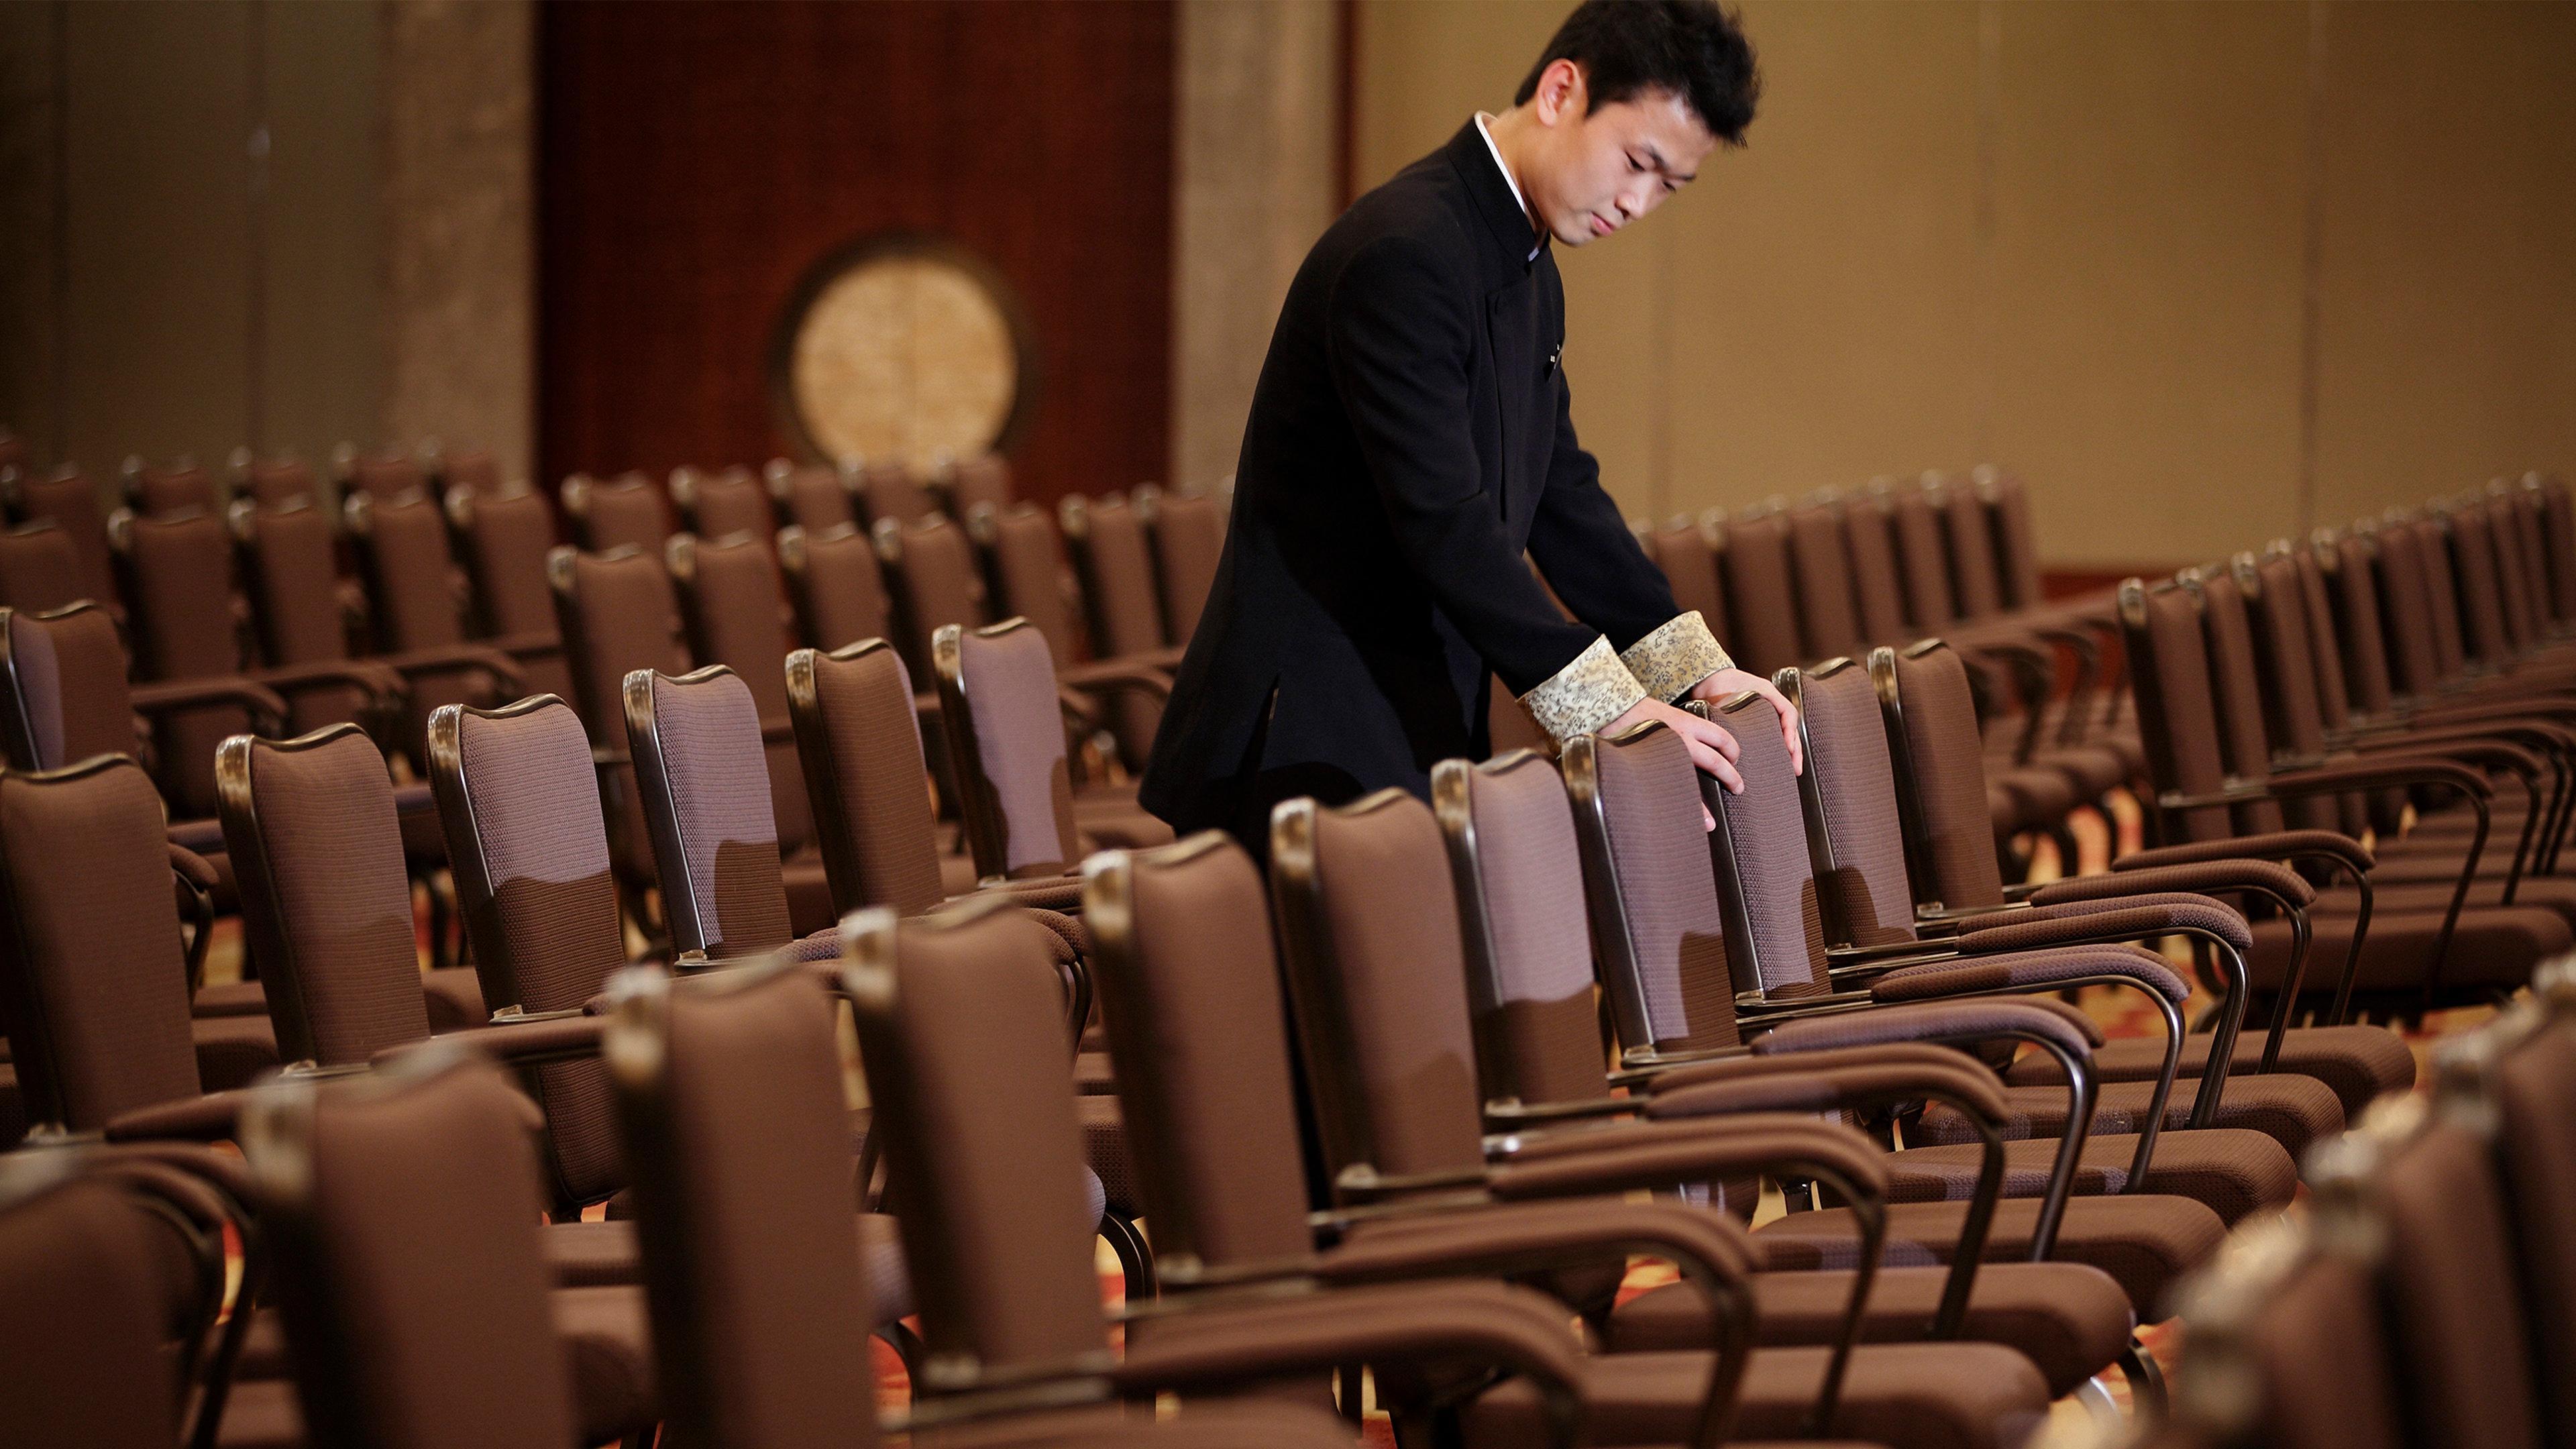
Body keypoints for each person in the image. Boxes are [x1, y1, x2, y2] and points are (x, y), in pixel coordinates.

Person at [1140, 0, 1796, 856]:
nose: (1638, 203)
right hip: (1296, 736)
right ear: (1563, 91)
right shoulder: (1406, 251)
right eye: (1638, 162)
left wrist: (1691, 671)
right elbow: (1444, 517)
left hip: (1397, 722)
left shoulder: (1523, 262)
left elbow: (1560, 493)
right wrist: (1608, 706)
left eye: (1668, 186)